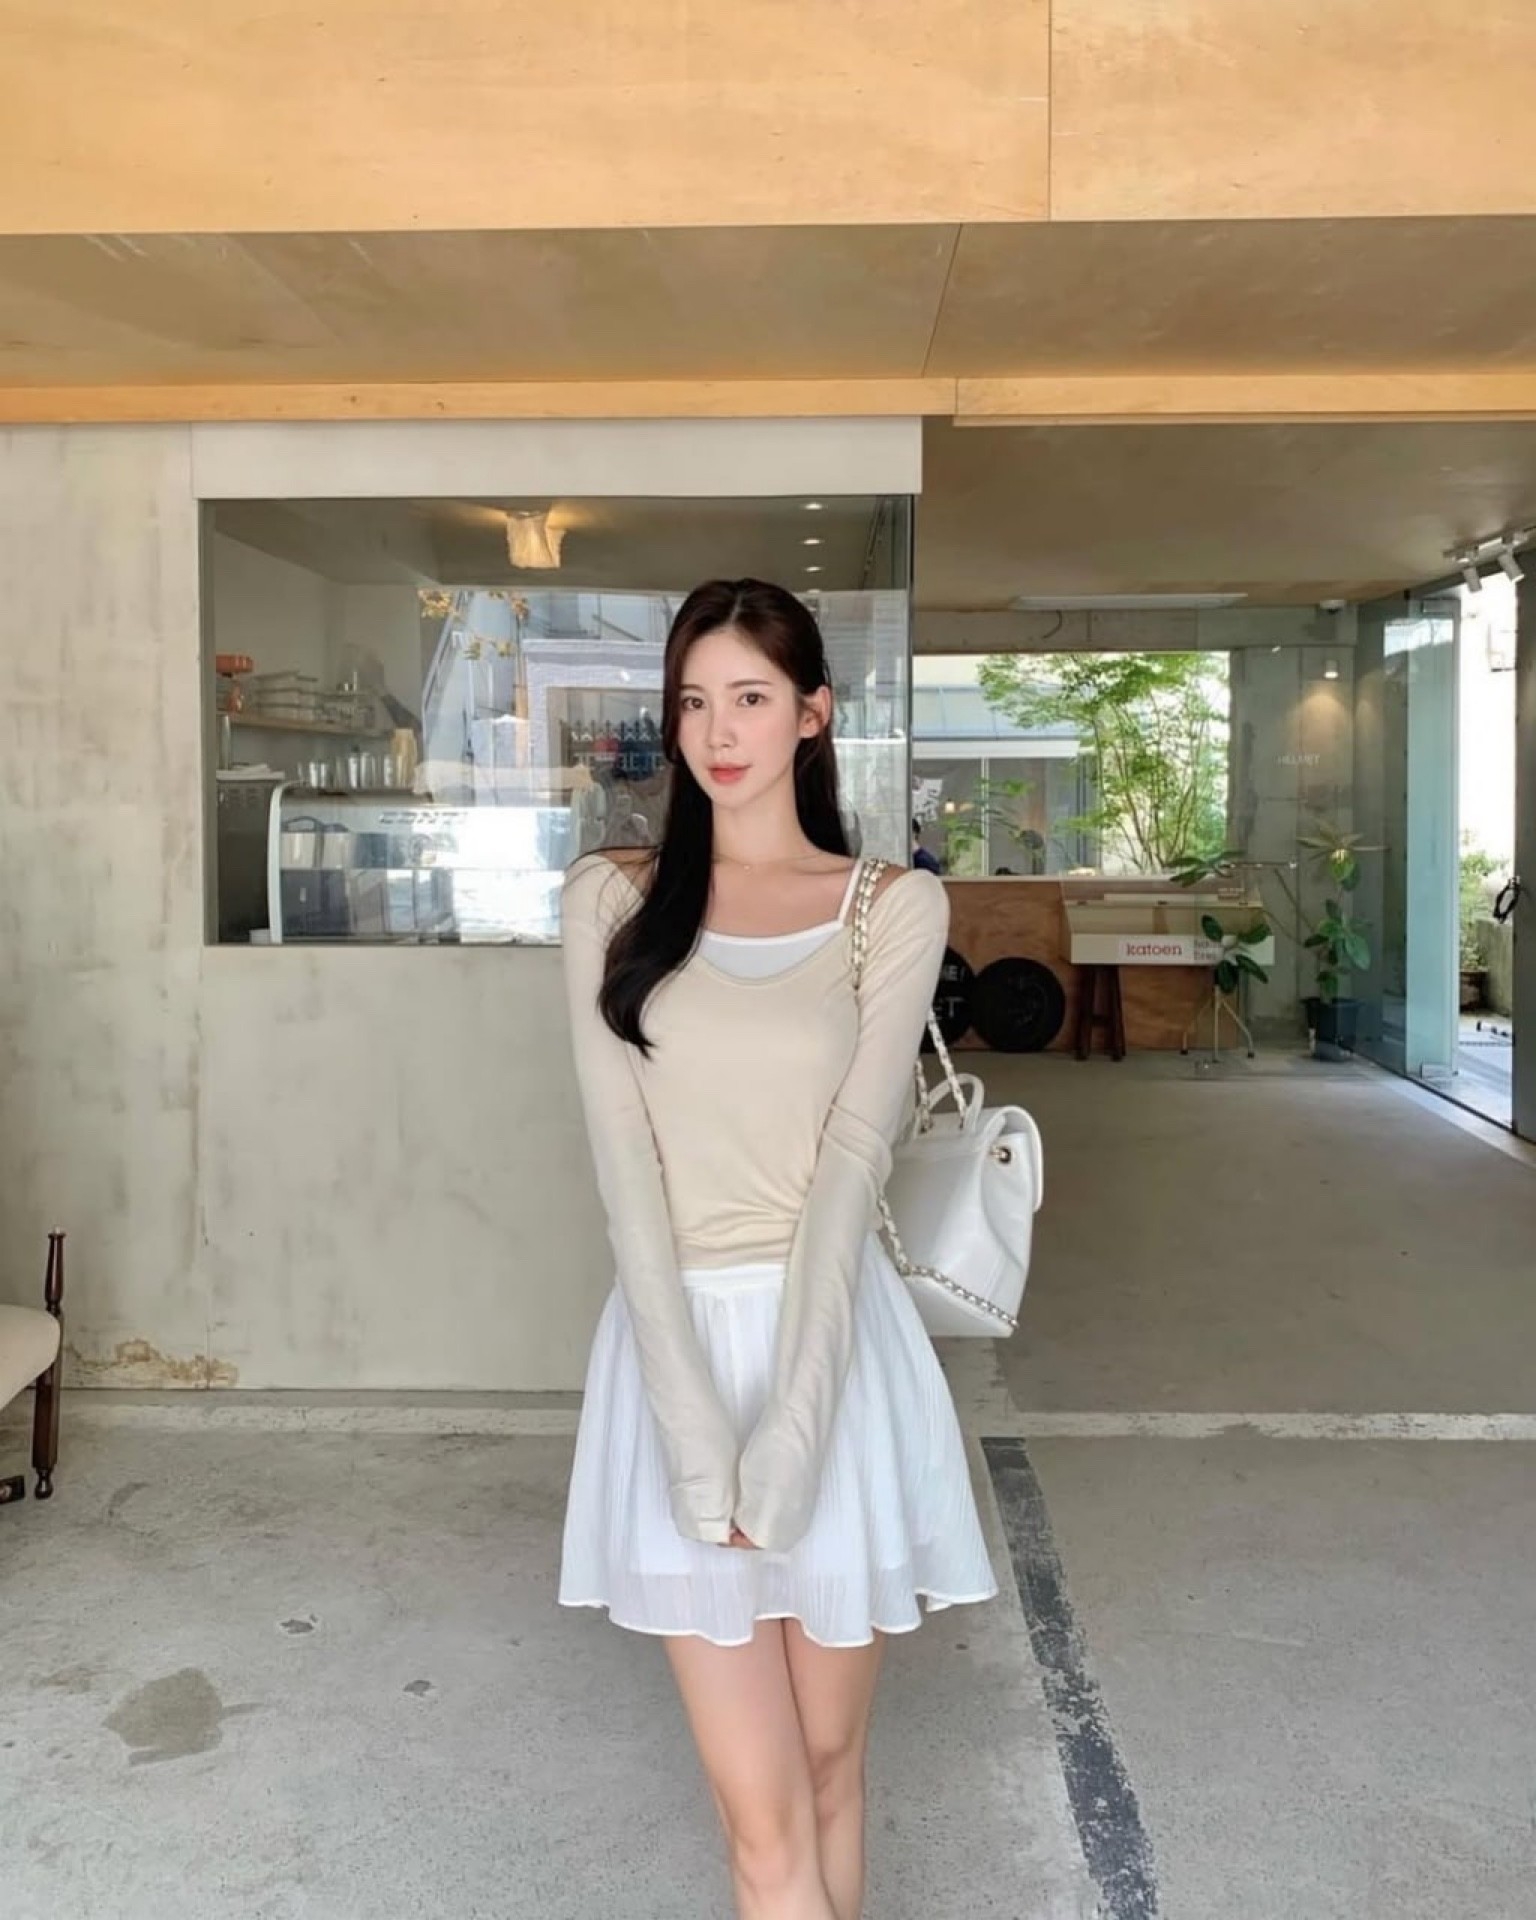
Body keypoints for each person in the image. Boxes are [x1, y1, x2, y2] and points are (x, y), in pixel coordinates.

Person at [558, 579, 997, 1920]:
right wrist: (698, 1431)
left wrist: (792, 1433)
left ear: (812, 713)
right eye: (694, 701)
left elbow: (852, 1165)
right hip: (675, 1349)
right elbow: (624, 1175)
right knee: (760, 1822)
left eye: (750, 697)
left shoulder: (889, 907)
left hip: (836, 1358)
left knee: (826, 1770)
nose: (718, 732)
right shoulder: (611, 899)